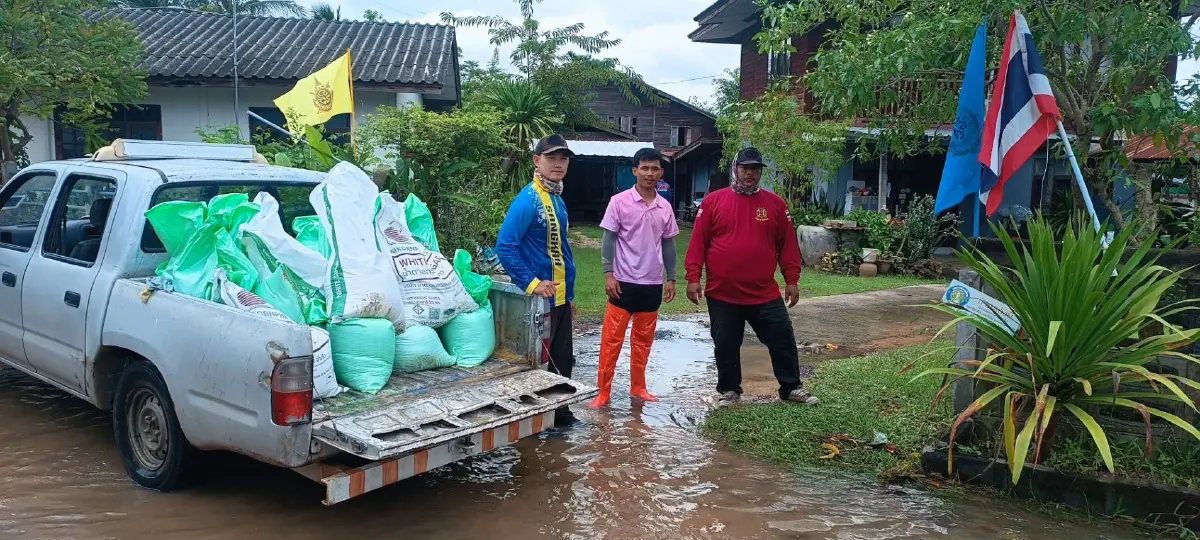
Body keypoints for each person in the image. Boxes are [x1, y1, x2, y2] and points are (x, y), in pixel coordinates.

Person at [684, 147, 819, 406]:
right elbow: (698, 243)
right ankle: (729, 391)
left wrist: (792, 280)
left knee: (782, 339)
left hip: (764, 293)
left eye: (755, 169)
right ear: (735, 169)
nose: (750, 174)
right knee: (725, 344)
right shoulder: (714, 201)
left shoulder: (775, 204)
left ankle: (791, 387)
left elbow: (788, 245)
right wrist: (693, 277)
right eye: (745, 168)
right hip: (722, 292)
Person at [495, 134, 580, 426]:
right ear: (536, 161)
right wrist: (531, 283)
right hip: (538, 300)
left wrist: (569, 296)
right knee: (538, 363)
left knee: (561, 360)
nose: (558, 164)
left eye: (563, 158)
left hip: (559, 298)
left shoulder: (557, 197)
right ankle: (533, 422)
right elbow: (505, 245)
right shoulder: (528, 199)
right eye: (551, 158)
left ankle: (561, 414)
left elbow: (561, 251)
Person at [590, 148, 679, 408]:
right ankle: (603, 392)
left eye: (654, 169)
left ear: (661, 173)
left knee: (643, 342)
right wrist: (609, 274)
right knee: (611, 341)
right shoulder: (619, 202)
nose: (649, 174)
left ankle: (638, 387)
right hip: (623, 283)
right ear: (635, 171)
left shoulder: (665, 207)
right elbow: (608, 239)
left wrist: (671, 277)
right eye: (644, 168)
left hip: (651, 284)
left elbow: (669, 244)